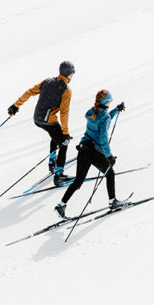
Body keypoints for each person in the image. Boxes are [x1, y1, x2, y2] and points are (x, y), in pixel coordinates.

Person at [54, 90, 126, 219]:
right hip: (93, 151)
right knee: (110, 173)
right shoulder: (105, 118)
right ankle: (112, 202)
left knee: (78, 181)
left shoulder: (92, 112)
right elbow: (104, 139)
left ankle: (61, 204)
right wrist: (109, 156)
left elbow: (102, 118)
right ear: (107, 102)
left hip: (83, 149)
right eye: (110, 101)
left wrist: (116, 110)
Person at [8, 61, 75, 185]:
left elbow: (29, 92)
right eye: (72, 73)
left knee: (55, 133)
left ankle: (51, 162)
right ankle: (59, 175)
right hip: (48, 121)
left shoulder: (48, 81)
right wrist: (66, 134)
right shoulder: (66, 90)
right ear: (68, 74)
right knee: (64, 143)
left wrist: (15, 106)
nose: (73, 76)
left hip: (37, 119)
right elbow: (64, 113)